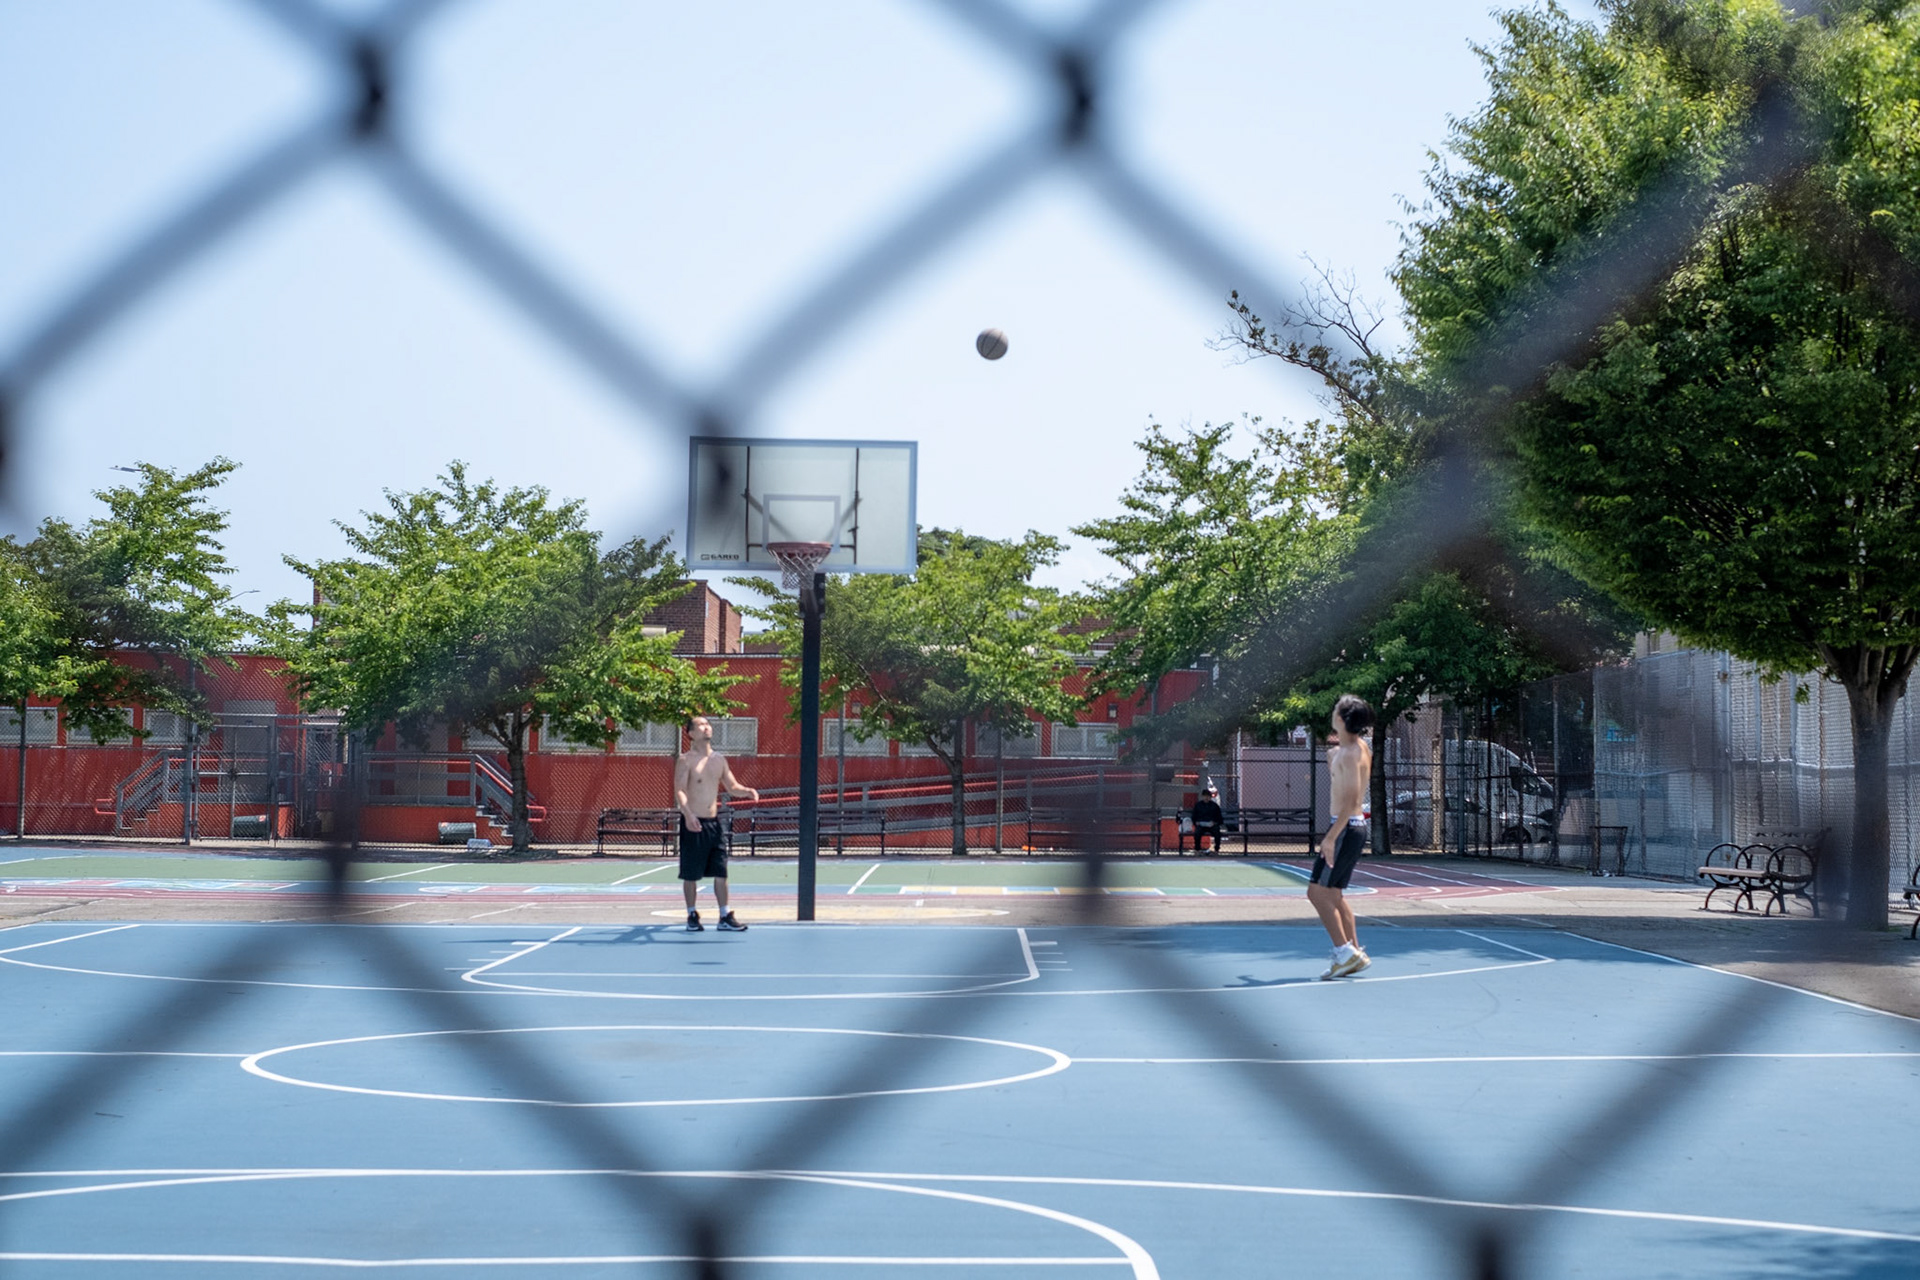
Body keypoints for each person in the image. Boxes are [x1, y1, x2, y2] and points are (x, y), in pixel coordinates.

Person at [673, 715, 758, 932]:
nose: (706, 727)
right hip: (694, 823)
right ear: (691, 733)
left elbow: (732, 786)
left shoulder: (719, 760)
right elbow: (680, 790)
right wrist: (688, 815)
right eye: (701, 725)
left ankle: (724, 915)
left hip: (714, 824)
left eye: (707, 724)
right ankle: (692, 914)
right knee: (691, 874)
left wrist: (747, 791)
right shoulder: (686, 760)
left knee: (721, 871)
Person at [1311, 694, 1374, 979]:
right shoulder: (1351, 750)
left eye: (1336, 709)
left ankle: (1343, 951)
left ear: (1342, 718)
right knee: (1334, 894)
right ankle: (1354, 953)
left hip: (1345, 828)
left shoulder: (1350, 753)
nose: (1332, 712)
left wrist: (1330, 838)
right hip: (1349, 828)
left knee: (1317, 893)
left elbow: (1350, 801)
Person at [1191, 784, 1225, 852]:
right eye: (1205, 796)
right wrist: (1196, 822)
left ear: (1210, 797)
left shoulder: (1214, 806)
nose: (1206, 798)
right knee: (1197, 833)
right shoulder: (1198, 805)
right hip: (1201, 825)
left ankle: (1216, 849)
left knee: (1217, 832)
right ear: (1202, 797)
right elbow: (1194, 816)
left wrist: (1215, 823)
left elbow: (1219, 818)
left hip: (1212, 825)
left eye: (1208, 796)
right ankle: (1197, 849)